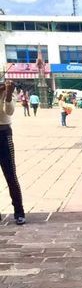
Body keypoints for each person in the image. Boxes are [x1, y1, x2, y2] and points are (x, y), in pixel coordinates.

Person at [0, 80, 26, 225]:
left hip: (4, 135)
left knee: (11, 176)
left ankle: (19, 212)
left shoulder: (7, 91)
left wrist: (8, 94)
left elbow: (8, 111)